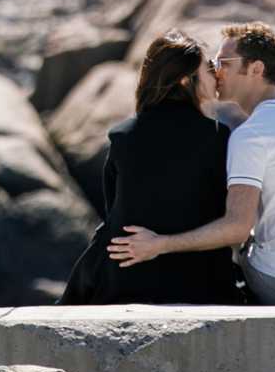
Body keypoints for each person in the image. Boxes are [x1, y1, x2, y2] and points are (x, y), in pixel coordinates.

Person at [109, 20, 275, 304]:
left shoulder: (251, 135)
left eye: (224, 62)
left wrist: (159, 244)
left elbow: (236, 228)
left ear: (256, 69)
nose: (216, 71)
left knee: (220, 258)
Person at [60, 31, 241, 305]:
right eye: (208, 69)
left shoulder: (121, 135)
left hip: (126, 283)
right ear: (184, 80)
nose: (216, 76)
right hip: (204, 283)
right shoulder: (218, 137)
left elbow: (114, 212)